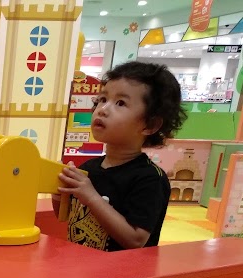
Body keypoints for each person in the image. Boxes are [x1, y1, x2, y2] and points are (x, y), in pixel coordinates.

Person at [52, 61, 185, 251]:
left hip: (120, 277)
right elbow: (65, 216)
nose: (103, 109)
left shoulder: (150, 178)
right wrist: (59, 194)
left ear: (150, 125)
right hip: (81, 271)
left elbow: (136, 240)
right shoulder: (89, 168)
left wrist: (92, 197)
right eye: (102, 100)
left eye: (120, 103)